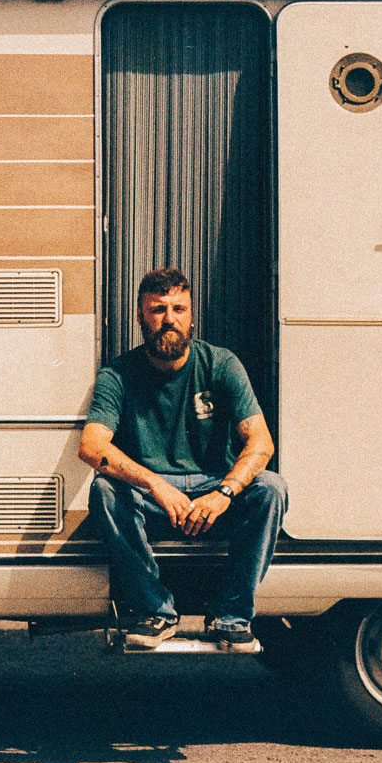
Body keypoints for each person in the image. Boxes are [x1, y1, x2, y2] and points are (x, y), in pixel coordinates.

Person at [78, 267, 287, 650]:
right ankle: (155, 611)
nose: (169, 319)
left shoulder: (221, 364)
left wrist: (224, 492)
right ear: (141, 316)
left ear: (192, 317)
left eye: (178, 309)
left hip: (214, 490)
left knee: (271, 487)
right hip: (154, 499)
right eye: (158, 310)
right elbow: (92, 447)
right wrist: (156, 484)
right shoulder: (118, 374)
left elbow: (261, 441)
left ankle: (231, 617)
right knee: (105, 490)